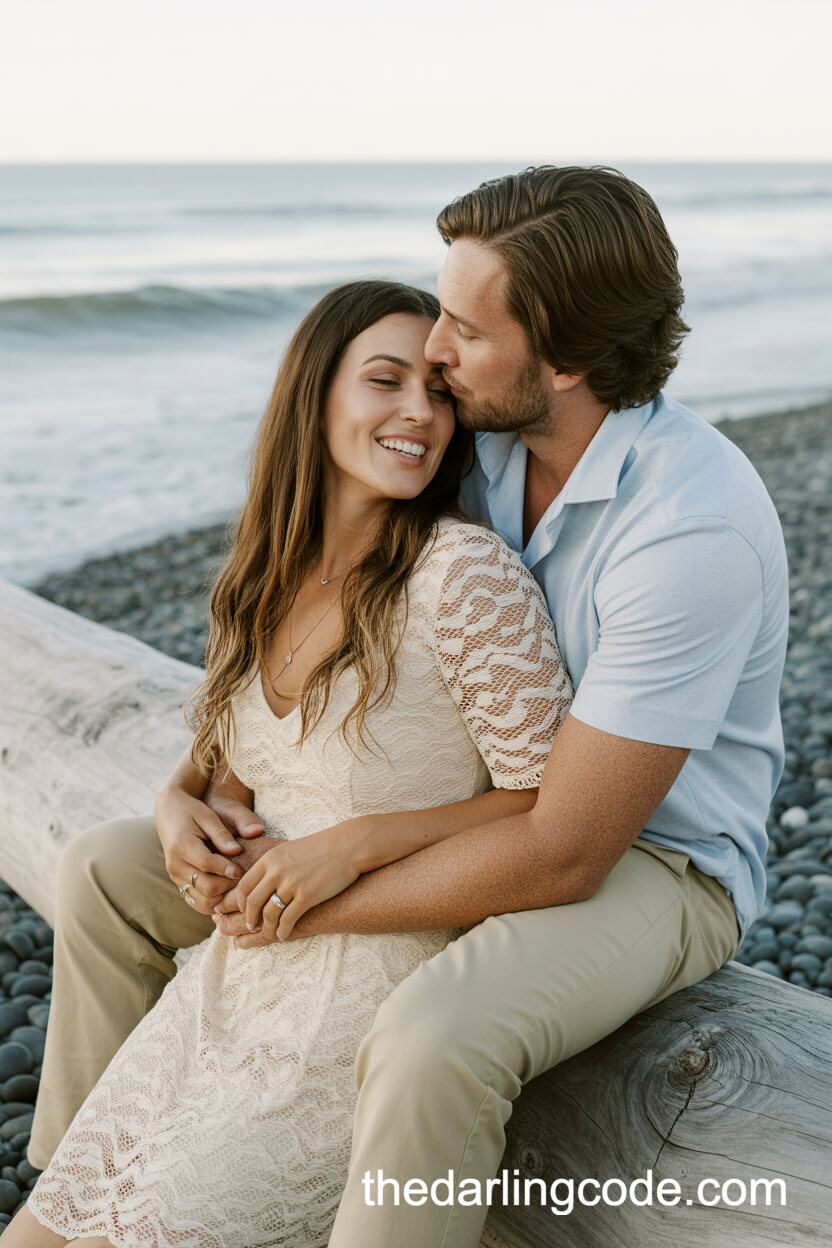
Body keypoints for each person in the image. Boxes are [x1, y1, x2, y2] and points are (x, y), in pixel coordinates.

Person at [25, 165, 789, 1248]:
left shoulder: (687, 528)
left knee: (435, 1037)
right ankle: (86, 1190)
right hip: (483, 807)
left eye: (464, 332)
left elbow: (567, 848)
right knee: (109, 870)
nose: (435, 352)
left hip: (649, 857)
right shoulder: (479, 443)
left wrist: (313, 888)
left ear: (564, 360)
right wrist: (183, 797)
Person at [7, 279, 572, 1247]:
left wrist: (360, 841)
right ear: (314, 394)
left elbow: (544, 798)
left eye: (437, 392)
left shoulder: (463, 576)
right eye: (385, 381)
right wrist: (182, 812)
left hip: (368, 995)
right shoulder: (264, 574)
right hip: (233, 976)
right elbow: (233, 771)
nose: (419, 412)